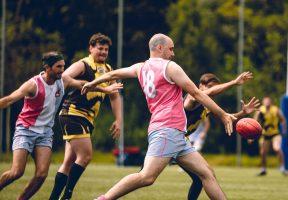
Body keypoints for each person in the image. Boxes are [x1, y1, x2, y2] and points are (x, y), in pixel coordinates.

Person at [82, 33, 237, 200]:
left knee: (206, 174)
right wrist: (222, 114)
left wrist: (92, 83)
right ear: (160, 47)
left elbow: (113, 74)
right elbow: (196, 93)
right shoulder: (170, 67)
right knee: (146, 177)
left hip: (176, 134)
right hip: (166, 130)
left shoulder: (140, 67)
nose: (173, 53)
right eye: (171, 49)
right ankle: (104, 199)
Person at [0, 51, 121, 200]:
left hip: (45, 133)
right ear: (47, 68)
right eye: (59, 67)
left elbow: (84, 85)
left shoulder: (63, 81)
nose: (63, 70)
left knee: (41, 175)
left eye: (63, 66)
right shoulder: (33, 85)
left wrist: (105, 89)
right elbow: (9, 100)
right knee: (17, 172)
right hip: (25, 130)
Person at [49, 33, 123, 200]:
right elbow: (64, 77)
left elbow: (114, 96)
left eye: (106, 49)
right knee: (86, 155)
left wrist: (118, 120)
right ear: (91, 48)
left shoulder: (109, 70)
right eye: (100, 48)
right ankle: (67, 196)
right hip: (73, 113)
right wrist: (85, 85)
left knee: (69, 160)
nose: (103, 52)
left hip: (86, 118)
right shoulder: (83, 65)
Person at [182, 72, 260, 200]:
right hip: (169, 139)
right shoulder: (192, 97)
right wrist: (234, 82)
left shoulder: (206, 105)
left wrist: (243, 112)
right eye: (210, 86)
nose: (213, 90)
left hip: (181, 141)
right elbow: (211, 92)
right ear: (200, 85)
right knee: (146, 176)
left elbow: (228, 117)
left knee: (201, 178)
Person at [253, 96, 288, 176]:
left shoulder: (275, 109)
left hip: (275, 133)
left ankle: (282, 167)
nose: (267, 102)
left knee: (277, 148)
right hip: (265, 134)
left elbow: (283, 120)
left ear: (271, 102)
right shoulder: (260, 110)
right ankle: (263, 169)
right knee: (263, 152)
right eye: (265, 101)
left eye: (268, 101)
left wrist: (284, 130)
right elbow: (254, 122)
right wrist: (251, 136)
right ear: (263, 102)